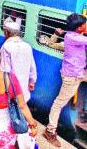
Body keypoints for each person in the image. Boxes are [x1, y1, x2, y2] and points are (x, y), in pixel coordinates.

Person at [43, 13, 87, 147]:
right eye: (85, 24)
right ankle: (50, 130)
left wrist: (57, 33)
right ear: (79, 28)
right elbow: (52, 43)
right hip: (72, 77)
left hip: (80, 73)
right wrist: (57, 34)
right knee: (58, 103)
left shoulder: (75, 36)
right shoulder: (72, 37)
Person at [0, 21, 37, 102]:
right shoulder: (27, 46)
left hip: (11, 92)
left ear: (6, 32)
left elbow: (4, 71)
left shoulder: (6, 47)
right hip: (24, 92)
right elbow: (32, 67)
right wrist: (32, 82)